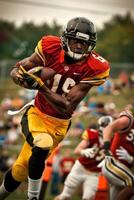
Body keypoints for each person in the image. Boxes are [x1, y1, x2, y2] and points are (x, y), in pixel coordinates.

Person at [0, 17, 110, 200]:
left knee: (21, 168)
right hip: (36, 113)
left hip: (60, 123)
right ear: (66, 39)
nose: (80, 46)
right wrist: (20, 78)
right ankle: (33, 197)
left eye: (84, 43)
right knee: (42, 143)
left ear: (91, 45)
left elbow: (67, 106)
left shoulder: (96, 66)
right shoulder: (49, 47)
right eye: (76, 41)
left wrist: (41, 87)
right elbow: (17, 69)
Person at [54, 116, 113, 200]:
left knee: (88, 198)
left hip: (94, 174)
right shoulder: (92, 134)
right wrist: (83, 151)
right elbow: (77, 151)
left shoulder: (113, 140)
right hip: (80, 169)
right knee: (65, 196)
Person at [100, 107, 134, 200]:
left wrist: (131, 159)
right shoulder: (128, 119)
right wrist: (106, 147)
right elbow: (108, 128)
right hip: (113, 163)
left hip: (124, 170)